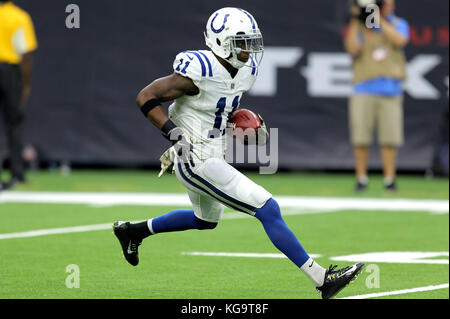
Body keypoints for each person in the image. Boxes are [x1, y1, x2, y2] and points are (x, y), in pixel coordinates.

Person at [113, 7, 364, 299]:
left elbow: (217, 108)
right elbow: (146, 96)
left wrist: (242, 124)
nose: (247, 50)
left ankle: (134, 231)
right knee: (267, 208)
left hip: (213, 153)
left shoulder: (246, 71)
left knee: (204, 220)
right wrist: (175, 134)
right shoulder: (199, 70)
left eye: (250, 42)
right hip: (195, 158)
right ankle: (322, 279)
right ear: (220, 43)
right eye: (240, 42)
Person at [344, 0, 409, 192]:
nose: (390, 6)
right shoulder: (361, 27)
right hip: (363, 88)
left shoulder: (398, 23)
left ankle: (389, 179)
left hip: (390, 89)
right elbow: (352, 48)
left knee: (389, 138)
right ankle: (361, 178)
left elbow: (400, 41)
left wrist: (379, 19)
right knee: (361, 137)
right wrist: (357, 18)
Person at [0, 0, 37, 190]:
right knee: (14, 122)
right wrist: (26, 83)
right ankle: (17, 172)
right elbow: (25, 54)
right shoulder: (19, 17)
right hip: (9, 71)